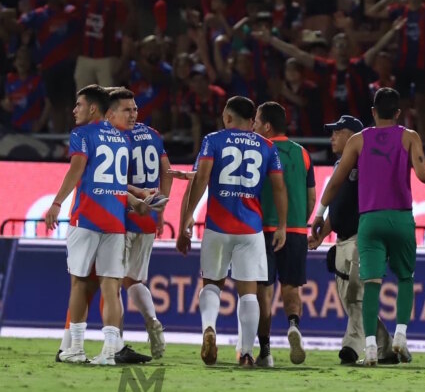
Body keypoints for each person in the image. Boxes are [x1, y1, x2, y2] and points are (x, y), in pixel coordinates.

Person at [315, 88, 425, 366]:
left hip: (369, 220)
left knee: (370, 285)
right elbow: (422, 174)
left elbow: (336, 180)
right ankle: (400, 337)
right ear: (398, 113)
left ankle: (371, 348)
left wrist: (320, 213)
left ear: (373, 112)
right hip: (400, 217)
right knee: (406, 278)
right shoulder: (409, 136)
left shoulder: (359, 140)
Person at [45, 85, 156, 365]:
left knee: (80, 282)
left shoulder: (82, 134)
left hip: (87, 217)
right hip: (115, 221)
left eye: (79, 104)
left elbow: (76, 170)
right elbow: (115, 183)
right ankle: (109, 352)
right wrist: (135, 200)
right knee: (110, 284)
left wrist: (57, 202)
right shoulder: (122, 139)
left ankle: (75, 348)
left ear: (93, 108)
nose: (74, 110)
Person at [173, 95, 288, 368]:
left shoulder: (213, 140)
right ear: (252, 122)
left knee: (212, 284)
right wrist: (282, 225)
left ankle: (209, 328)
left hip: (217, 225)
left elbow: (201, 179)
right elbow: (279, 188)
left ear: (227, 118)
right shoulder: (267, 146)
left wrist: (188, 217)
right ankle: (247, 352)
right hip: (250, 229)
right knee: (248, 293)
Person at [308, 115, 396, 366]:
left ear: (353, 136)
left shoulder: (370, 163)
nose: (332, 137)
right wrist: (322, 235)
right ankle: (385, 347)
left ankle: (351, 346)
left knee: (357, 295)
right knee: (351, 299)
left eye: (338, 131)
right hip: (343, 239)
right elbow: (339, 207)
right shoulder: (340, 166)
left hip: (363, 237)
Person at [252, 102, 316, 367]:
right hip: (296, 230)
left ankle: (265, 351)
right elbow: (312, 196)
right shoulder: (302, 153)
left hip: (265, 230)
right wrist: (299, 221)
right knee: (291, 289)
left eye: (256, 121)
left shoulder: (259, 150)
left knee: (263, 293)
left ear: (267, 126)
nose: (253, 126)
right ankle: (293, 326)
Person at [117, 87, 172, 361]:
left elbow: (111, 179)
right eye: (131, 109)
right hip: (148, 214)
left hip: (122, 213)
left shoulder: (116, 137)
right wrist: (162, 204)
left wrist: (137, 195)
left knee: (113, 281)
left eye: (134, 108)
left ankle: (115, 343)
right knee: (134, 279)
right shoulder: (153, 134)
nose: (134, 112)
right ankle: (152, 322)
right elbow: (167, 171)